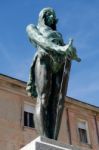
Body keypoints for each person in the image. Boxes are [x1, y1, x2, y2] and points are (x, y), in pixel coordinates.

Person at [26, 7, 81, 140]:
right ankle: (44, 137)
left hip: (59, 64)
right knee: (44, 97)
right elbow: (41, 40)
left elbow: (67, 50)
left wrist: (71, 52)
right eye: (49, 14)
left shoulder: (58, 34)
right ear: (43, 16)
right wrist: (60, 48)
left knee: (55, 102)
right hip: (44, 59)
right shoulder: (32, 27)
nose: (52, 17)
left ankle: (52, 138)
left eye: (54, 15)